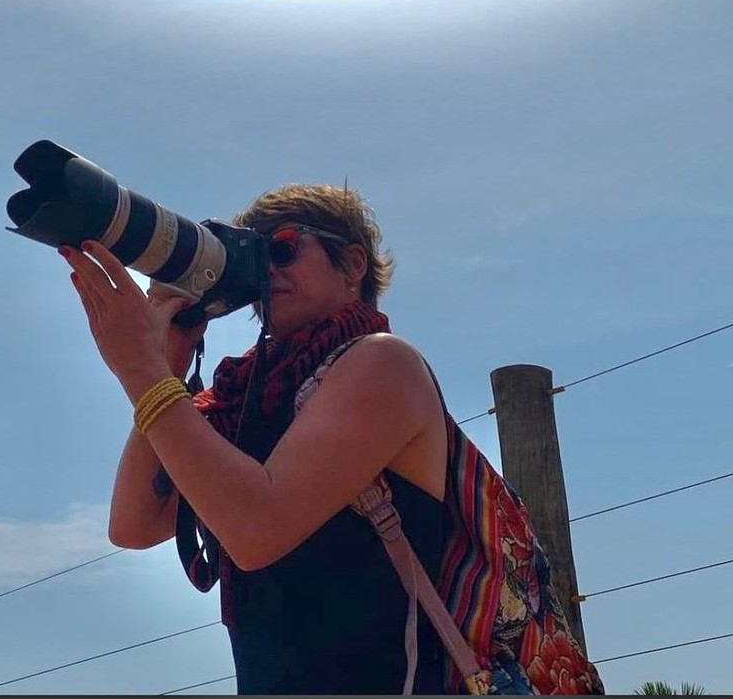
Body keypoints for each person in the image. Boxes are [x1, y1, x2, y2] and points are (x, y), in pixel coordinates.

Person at [58, 183, 448, 695]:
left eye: (282, 249)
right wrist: (168, 360)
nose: (268, 270)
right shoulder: (247, 398)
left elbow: (256, 532)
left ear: (353, 265)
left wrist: (140, 370)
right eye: (256, 256)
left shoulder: (382, 363)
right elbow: (135, 523)